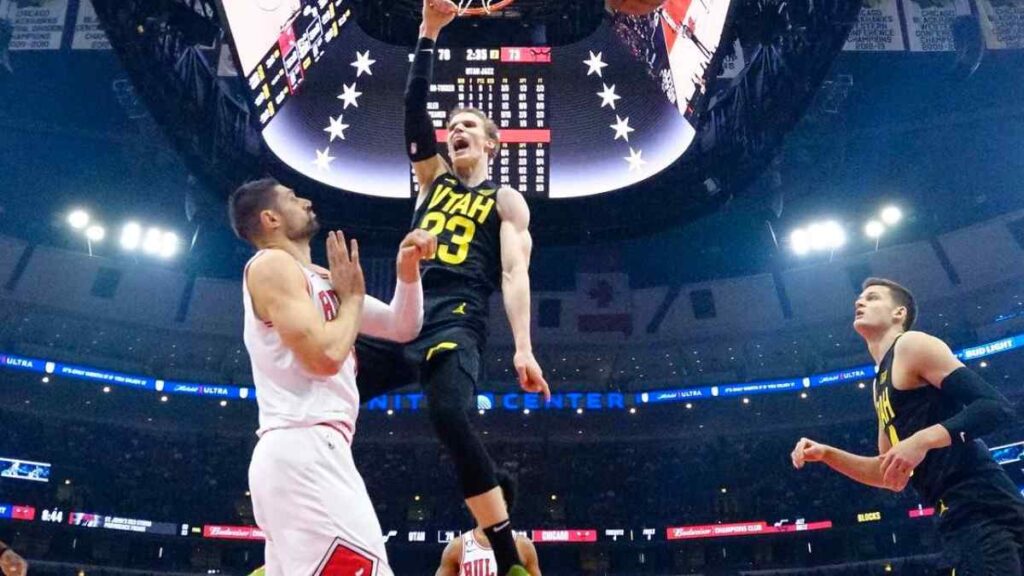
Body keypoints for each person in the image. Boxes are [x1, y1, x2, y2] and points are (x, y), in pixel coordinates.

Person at [353, 2, 550, 575]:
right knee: (326, 391)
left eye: (468, 127)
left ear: (492, 144)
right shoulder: (431, 179)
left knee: (447, 414)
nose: (455, 130)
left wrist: (523, 347)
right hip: (402, 314)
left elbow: (515, 274)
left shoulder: (505, 201)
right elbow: (415, 111)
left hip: (458, 318)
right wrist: (428, 34)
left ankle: (510, 559)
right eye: (453, 126)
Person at [229, 178, 436, 576]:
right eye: (292, 198)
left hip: (311, 451)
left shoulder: (319, 278)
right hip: (303, 447)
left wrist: (406, 270)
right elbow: (323, 357)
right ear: (270, 218)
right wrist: (353, 298)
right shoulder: (272, 265)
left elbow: (402, 325)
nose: (306, 200)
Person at [792, 277, 1024, 575]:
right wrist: (827, 454)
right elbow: (888, 474)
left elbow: (994, 407)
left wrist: (921, 440)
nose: (859, 302)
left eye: (872, 298)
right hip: (960, 511)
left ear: (898, 314)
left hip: (979, 504)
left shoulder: (911, 344)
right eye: (859, 299)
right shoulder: (880, 384)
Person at [436, 471, 542, 576]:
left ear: (506, 504)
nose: (489, 504)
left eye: (495, 500)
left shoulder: (523, 546)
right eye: (484, 499)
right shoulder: (457, 547)